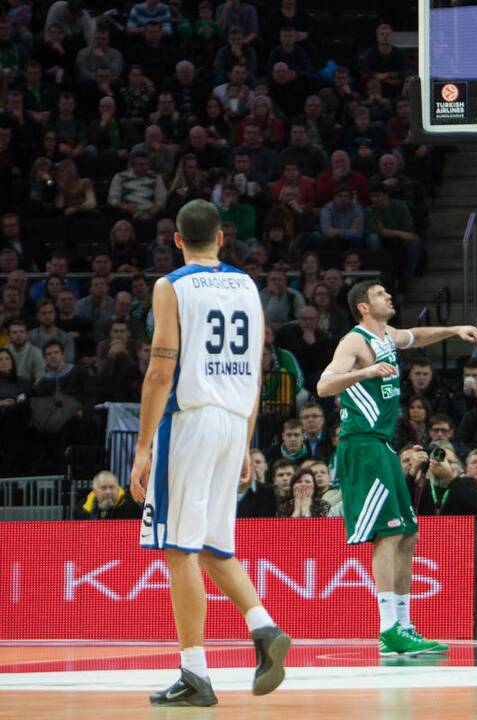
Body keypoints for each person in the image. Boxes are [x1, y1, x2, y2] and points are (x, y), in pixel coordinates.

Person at [129, 200, 289, 706]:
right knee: (216, 545)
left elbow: (160, 368)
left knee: (180, 549)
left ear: (176, 239)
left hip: (191, 421)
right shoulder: (246, 285)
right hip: (232, 421)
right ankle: (263, 627)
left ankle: (195, 672)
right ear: (221, 238)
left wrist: (142, 446)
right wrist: (245, 443)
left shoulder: (170, 285)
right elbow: (258, 368)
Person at [316, 280, 477, 655]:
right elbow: (324, 386)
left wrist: (454, 329)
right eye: (380, 294)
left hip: (383, 446)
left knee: (408, 534)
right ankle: (388, 626)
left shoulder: (387, 335)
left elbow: (417, 336)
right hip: (361, 445)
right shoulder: (354, 342)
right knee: (388, 534)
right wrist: (365, 373)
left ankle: (404, 625)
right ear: (363, 306)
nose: (389, 296)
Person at [74, 470, 142, 520]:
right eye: (103, 488)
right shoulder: (83, 509)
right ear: (94, 491)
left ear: (117, 489)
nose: (108, 491)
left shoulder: (131, 506)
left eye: (112, 487)